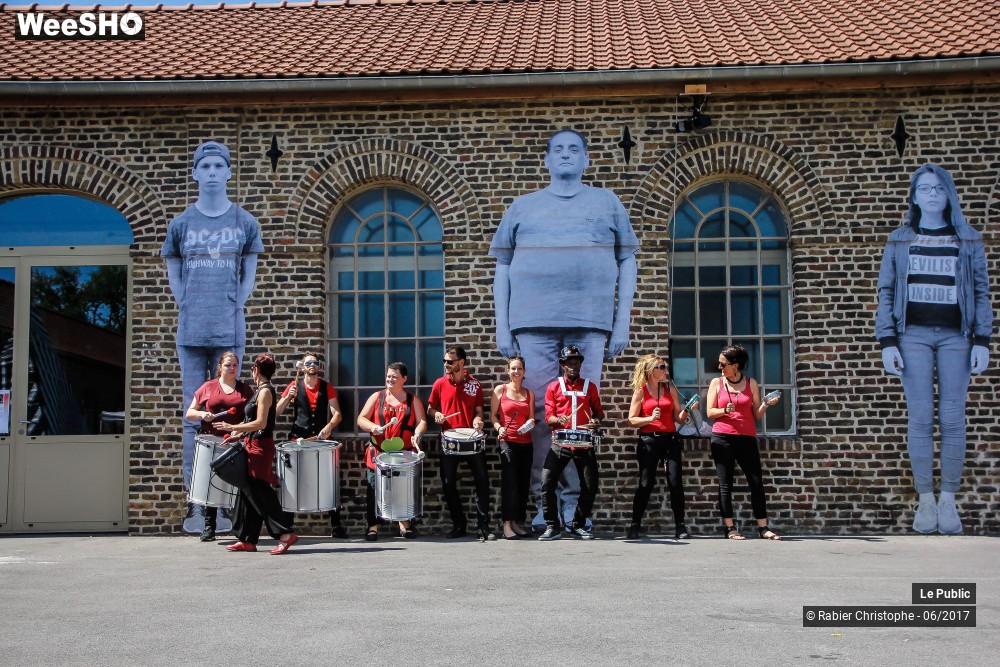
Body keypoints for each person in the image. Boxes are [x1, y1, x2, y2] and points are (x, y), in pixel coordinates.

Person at [489, 129, 639, 531]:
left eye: (575, 149)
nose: (566, 155)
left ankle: (574, 508)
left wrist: (620, 320)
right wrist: (503, 326)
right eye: (558, 150)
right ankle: (547, 506)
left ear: (586, 159)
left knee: (579, 416)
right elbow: (502, 266)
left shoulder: (607, 202)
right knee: (541, 414)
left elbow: (627, 260)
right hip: (532, 324)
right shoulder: (522, 207)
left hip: (589, 323)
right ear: (547, 161)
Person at [876, 164, 993, 535]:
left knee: (953, 419)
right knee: (922, 418)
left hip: (957, 336)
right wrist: (887, 341)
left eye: (938, 189)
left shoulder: (968, 238)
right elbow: (887, 291)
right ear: (913, 196)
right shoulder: (899, 239)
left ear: (949, 195)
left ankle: (948, 500)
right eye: (923, 189)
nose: (931, 196)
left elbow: (981, 291)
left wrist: (983, 340)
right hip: (912, 335)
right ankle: (925, 500)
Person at [161, 140, 263, 534]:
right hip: (190, 330)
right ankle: (196, 503)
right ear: (195, 173)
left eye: (219, 166)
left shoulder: (244, 222)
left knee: (230, 416)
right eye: (204, 166)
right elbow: (173, 269)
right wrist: (186, 299)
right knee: (193, 419)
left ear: (229, 172)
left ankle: (223, 505)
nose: (212, 173)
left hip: (228, 330)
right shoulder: (182, 223)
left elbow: (248, 274)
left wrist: (234, 301)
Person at [217, 353, 298, 554]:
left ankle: (285, 534)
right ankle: (248, 538)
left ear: (256, 370)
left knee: (260, 490)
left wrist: (233, 425)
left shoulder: (265, 392)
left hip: (261, 447)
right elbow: (254, 422)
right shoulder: (260, 390)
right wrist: (237, 435)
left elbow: (261, 423)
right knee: (249, 489)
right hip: (251, 443)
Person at [706, 344, 781, 541]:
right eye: (720, 364)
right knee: (725, 484)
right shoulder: (717, 383)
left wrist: (766, 404)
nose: (720, 367)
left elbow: (756, 414)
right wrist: (725, 411)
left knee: (756, 482)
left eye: (724, 364)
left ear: (736, 365)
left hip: (746, 438)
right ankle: (730, 528)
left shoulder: (751, 383)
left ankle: (763, 528)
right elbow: (710, 412)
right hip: (722, 437)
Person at [275, 352, 346, 537]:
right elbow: (276, 412)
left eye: (315, 362)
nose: (312, 365)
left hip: (319, 441)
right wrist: (286, 397)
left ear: (319, 367)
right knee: (292, 482)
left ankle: (336, 525)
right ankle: (286, 526)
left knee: (329, 480)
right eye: (308, 363)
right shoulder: (294, 385)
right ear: (303, 367)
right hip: (298, 440)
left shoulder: (326, 386)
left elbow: (337, 413)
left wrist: (329, 426)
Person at [184, 351, 254, 541]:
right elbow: (190, 412)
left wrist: (238, 431)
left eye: (235, 365)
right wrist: (202, 415)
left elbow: (252, 418)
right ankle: (209, 526)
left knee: (236, 486)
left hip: (234, 442)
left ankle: (241, 527)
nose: (232, 369)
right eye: (228, 365)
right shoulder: (208, 387)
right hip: (210, 440)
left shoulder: (245, 390)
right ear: (220, 367)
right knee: (210, 484)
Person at [625, 354, 695, 540]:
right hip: (649, 440)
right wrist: (649, 418)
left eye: (664, 367)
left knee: (675, 483)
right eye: (661, 367)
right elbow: (632, 420)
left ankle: (680, 526)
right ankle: (635, 524)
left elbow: (678, 417)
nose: (665, 370)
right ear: (650, 371)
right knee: (646, 483)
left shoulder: (669, 388)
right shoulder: (641, 391)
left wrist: (687, 409)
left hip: (670, 439)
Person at [426, 345, 493, 541]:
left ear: (461, 363)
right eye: (445, 361)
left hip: (471, 439)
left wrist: (478, 420)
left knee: (482, 481)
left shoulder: (475, 385)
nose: (446, 364)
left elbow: (479, 411)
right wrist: (436, 414)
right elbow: (430, 408)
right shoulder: (439, 383)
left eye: (450, 361)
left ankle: (483, 526)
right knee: (448, 484)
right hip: (449, 440)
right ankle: (459, 523)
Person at [538, 345, 604, 541]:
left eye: (577, 362)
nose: (574, 365)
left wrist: (596, 420)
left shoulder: (589, 387)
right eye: (569, 362)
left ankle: (578, 524)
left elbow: (598, 412)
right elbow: (549, 417)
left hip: (584, 443)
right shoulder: (554, 387)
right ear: (562, 365)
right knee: (547, 482)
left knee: (590, 486)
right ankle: (552, 526)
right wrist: (559, 420)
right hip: (561, 443)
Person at [356, 362, 427, 541]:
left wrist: (418, 433)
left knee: (403, 489)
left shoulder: (413, 400)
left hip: (403, 454)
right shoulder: (377, 397)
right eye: (388, 376)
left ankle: (404, 523)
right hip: (378, 453)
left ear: (404, 379)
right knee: (373, 489)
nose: (390, 379)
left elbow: (422, 421)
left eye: (394, 377)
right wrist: (374, 427)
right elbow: (361, 419)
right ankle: (372, 526)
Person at [489, 355, 536, 539]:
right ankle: (506, 524)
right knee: (510, 482)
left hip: (526, 442)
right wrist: (499, 428)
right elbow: (493, 416)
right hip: (507, 441)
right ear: (508, 371)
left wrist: (530, 424)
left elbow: (532, 417)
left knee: (523, 483)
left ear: (524, 372)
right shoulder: (500, 390)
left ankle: (517, 522)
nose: (516, 372)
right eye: (513, 368)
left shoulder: (529, 393)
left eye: (519, 369)